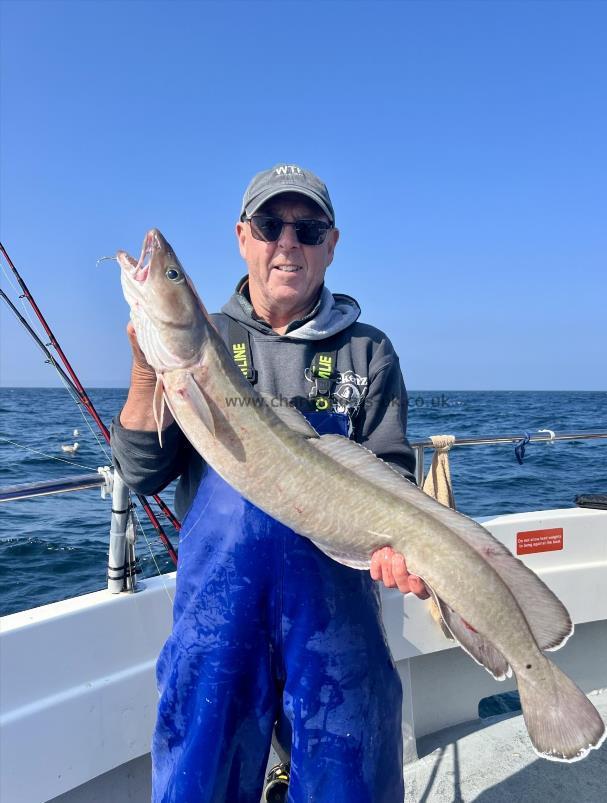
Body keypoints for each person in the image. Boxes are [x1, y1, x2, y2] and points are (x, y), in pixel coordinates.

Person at [111, 163, 429, 803]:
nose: (289, 242)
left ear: (331, 246)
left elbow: (391, 474)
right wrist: (148, 369)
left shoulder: (368, 351)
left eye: (308, 229)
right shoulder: (210, 338)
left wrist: (397, 551)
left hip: (337, 621)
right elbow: (144, 474)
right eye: (270, 225)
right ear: (242, 237)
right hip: (217, 620)